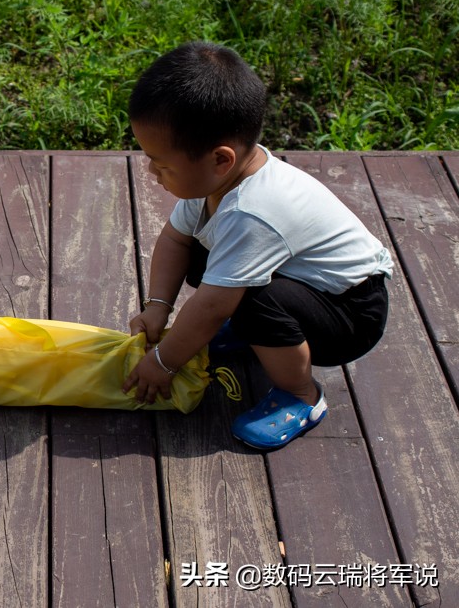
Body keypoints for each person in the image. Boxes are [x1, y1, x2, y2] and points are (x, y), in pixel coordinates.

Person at [122, 41, 393, 450]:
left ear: (220, 160)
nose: (150, 172)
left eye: (162, 165)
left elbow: (213, 306)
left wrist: (163, 362)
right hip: (305, 286)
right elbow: (176, 239)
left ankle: (302, 395)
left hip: (350, 314)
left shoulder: (252, 212)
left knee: (243, 298)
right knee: (207, 260)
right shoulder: (218, 181)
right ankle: (259, 335)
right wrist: (158, 305)